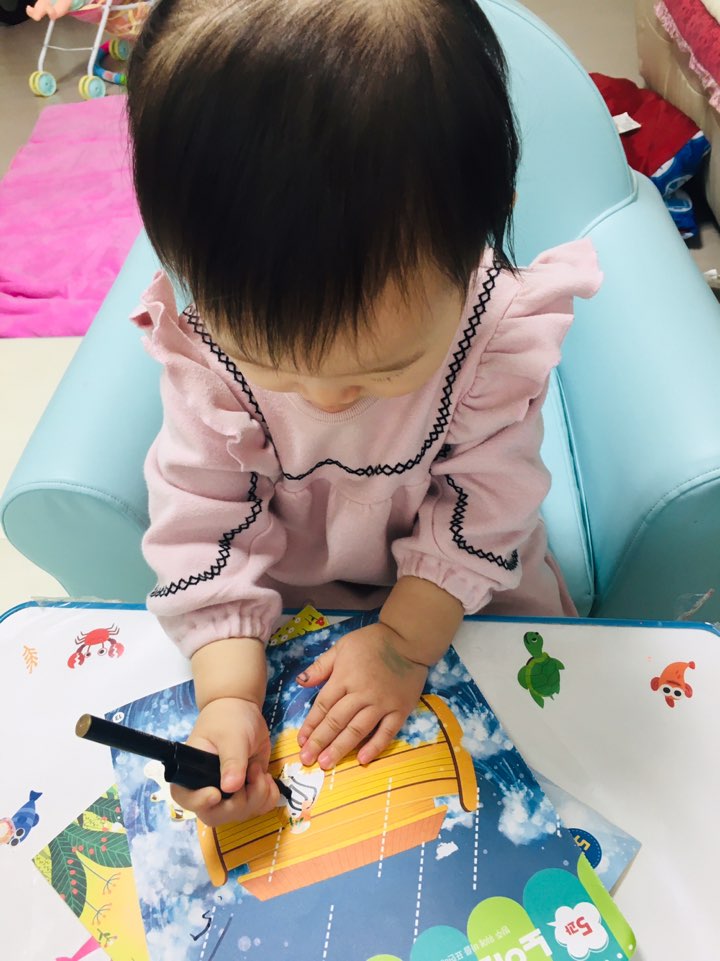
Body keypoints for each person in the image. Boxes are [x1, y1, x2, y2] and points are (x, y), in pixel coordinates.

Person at [126, 0, 601, 828]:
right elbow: (204, 527)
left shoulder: (492, 339)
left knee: (562, 787)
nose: (325, 399)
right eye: (277, 363)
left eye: (384, 369)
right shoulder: (209, 356)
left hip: (461, 600)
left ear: (473, 236)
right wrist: (228, 697)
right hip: (295, 624)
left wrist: (404, 643)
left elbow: (486, 510)